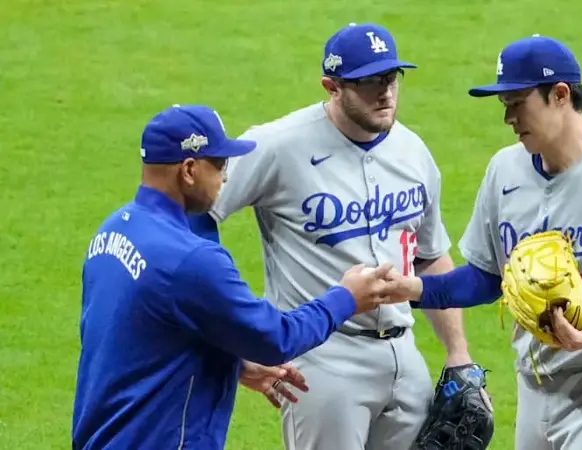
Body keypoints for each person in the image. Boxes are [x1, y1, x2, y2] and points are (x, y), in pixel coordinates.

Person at [383, 35, 582, 449]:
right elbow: (488, 279)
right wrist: (413, 289)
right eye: (505, 106)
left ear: (559, 95)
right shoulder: (504, 170)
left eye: (517, 103)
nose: (509, 119)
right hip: (535, 390)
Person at [186, 23, 480, 450]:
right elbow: (195, 217)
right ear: (333, 87)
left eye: (391, 78)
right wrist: (232, 337)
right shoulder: (276, 146)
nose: (385, 93)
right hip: (321, 362)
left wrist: (458, 352)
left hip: (404, 356)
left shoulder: (413, 151)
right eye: (368, 82)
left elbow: (430, 257)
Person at [71, 104, 401, 450]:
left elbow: (142, 333)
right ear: (189, 170)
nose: (226, 177)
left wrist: (233, 364)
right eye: (220, 165)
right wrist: (346, 298)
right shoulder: (191, 259)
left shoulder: (113, 232)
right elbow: (276, 338)